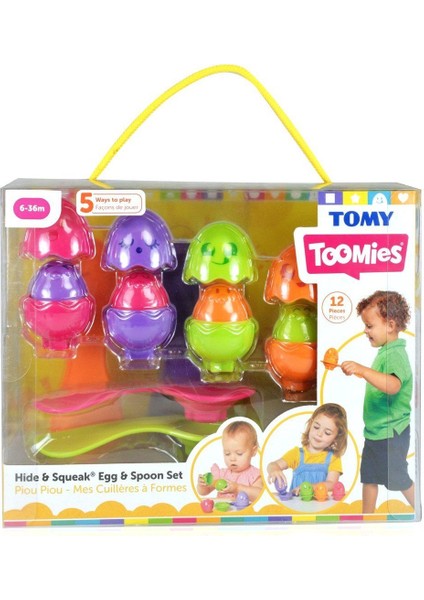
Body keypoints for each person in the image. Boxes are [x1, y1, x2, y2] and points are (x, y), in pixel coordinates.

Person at [341, 290, 415, 513]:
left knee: (398, 478)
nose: (365, 331)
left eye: (369, 326)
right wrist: (360, 372)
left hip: (391, 432)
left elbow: (393, 386)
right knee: (370, 477)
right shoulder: (386, 352)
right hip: (376, 432)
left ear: (390, 325)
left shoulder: (395, 354)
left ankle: (419, 508)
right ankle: (367, 516)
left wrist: (363, 370)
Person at [267, 403, 348, 496]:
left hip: (321, 504)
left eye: (327, 432)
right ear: (310, 425)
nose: (319, 434)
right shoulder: (297, 453)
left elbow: (332, 484)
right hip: (297, 503)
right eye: (316, 427)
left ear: (336, 437)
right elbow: (273, 464)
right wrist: (274, 470)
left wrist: (310, 487)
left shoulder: (333, 457)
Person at [197, 420, 263, 502]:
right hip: (222, 509)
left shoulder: (254, 475)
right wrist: (202, 485)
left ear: (253, 451)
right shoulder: (222, 474)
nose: (232, 458)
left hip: (244, 510)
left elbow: (260, 495)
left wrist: (237, 488)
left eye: (239, 453)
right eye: (227, 453)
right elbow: (204, 492)